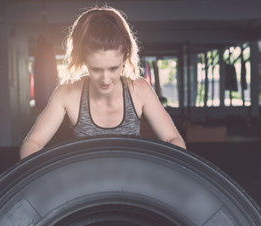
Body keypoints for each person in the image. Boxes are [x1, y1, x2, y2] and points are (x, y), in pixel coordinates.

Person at [20, 5, 186, 160]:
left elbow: (173, 139)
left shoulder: (139, 90)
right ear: (84, 60)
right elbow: (33, 143)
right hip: (88, 184)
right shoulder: (67, 94)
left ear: (125, 57)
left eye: (113, 69)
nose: (105, 79)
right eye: (96, 70)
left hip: (131, 183)